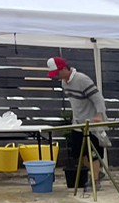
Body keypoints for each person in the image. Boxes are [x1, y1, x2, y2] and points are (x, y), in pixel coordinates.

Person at [47, 56, 109, 187]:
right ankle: (98, 173)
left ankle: (95, 180)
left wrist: (99, 115)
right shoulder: (64, 83)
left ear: (64, 68)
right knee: (79, 153)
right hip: (77, 122)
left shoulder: (82, 80)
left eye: (57, 73)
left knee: (93, 153)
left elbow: (98, 98)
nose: (56, 77)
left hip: (91, 122)